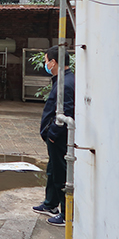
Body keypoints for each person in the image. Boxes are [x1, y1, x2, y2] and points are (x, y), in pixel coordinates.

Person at [32, 45, 75, 227]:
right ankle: (50, 204)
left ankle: (66, 214)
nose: (45, 65)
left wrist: (52, 134)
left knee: (60, 173)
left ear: (53, 62)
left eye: (46, 61)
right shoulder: (62, 80)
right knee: (52, 170)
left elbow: (68, 111)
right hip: (54, 137)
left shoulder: (65, 83)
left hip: (59, 137)